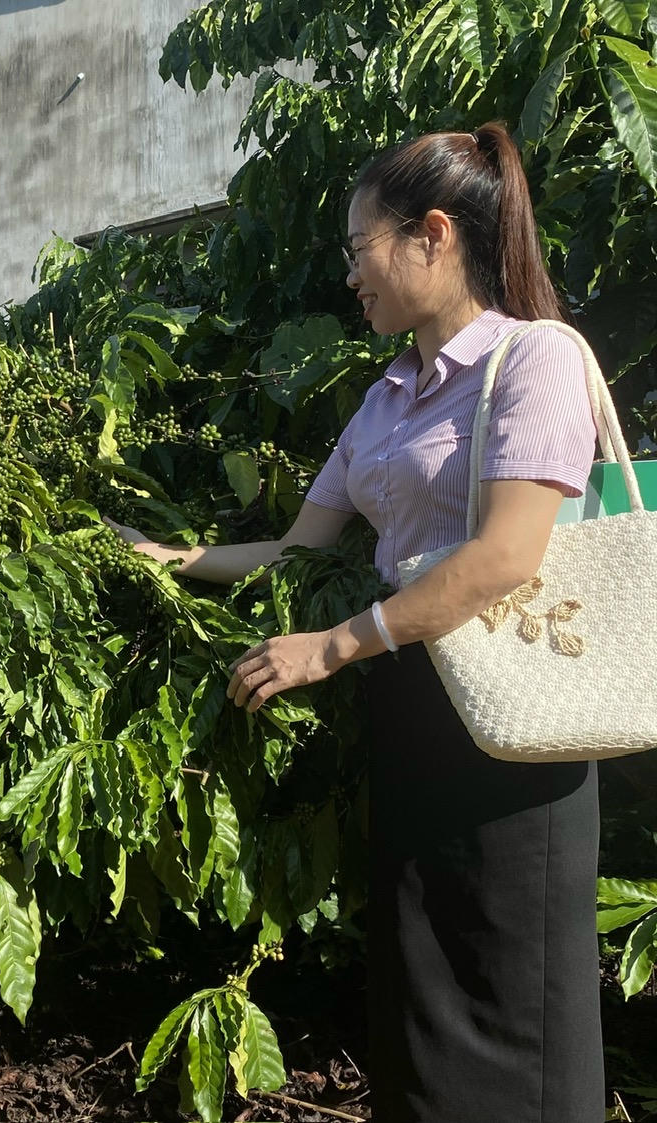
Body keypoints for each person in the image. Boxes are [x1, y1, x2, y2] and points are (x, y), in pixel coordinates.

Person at [110, 122, 603, 1122]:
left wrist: (332, 645)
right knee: (419, 984)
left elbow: (506, 554)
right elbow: (302, 546)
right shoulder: (382, 398)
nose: (348, 277)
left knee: (515, 997)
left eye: (355, 250)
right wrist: (172, 557)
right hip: (412, 707)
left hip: (517, 722)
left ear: (429, 235)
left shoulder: (533, 358)